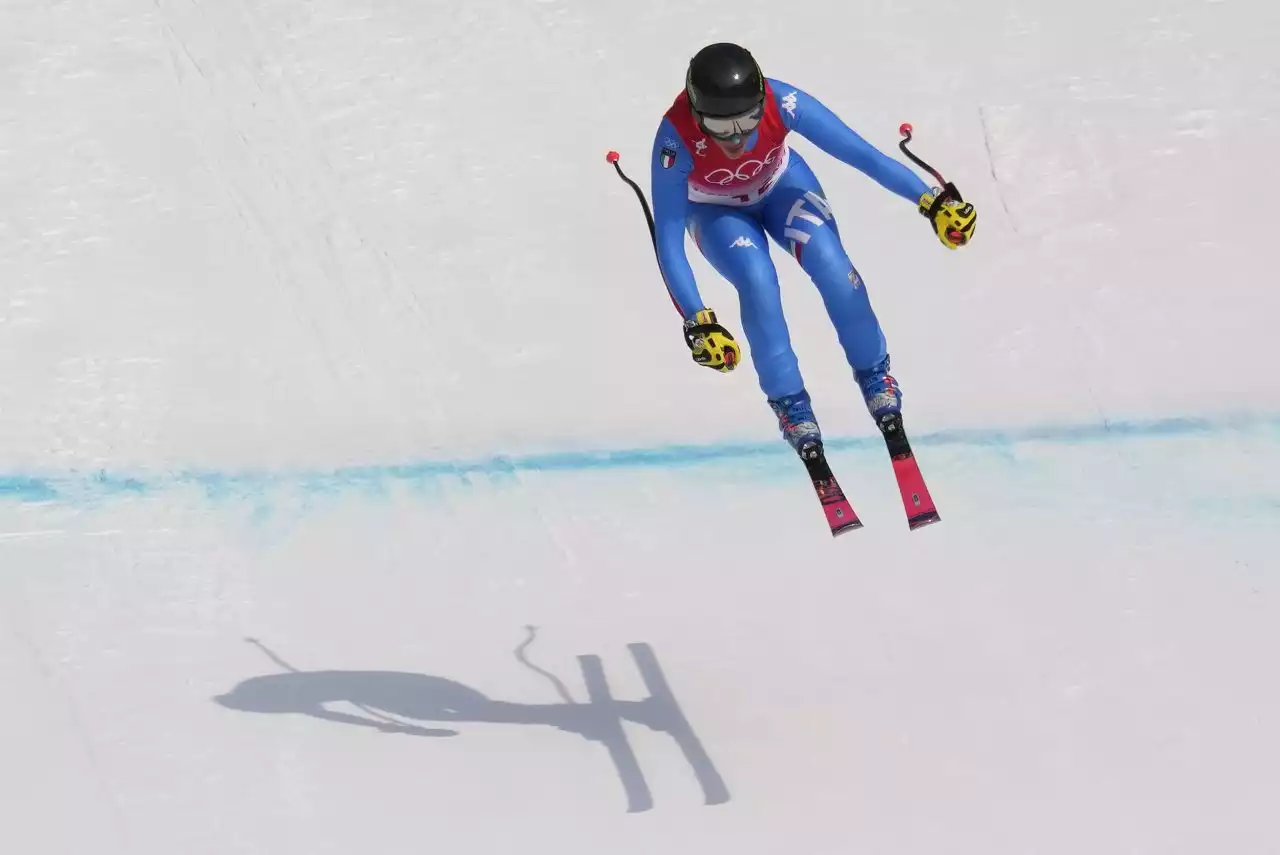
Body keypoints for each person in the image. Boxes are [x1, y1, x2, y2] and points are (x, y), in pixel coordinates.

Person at [649, 42, 976, 460]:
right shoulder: (673, 140)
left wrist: (930, 201)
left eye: (749, 120)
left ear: (762, 100)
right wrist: (698, 319)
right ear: (696, 114)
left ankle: (876, 376)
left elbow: (863, 156)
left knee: (833, 266)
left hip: (782, 187)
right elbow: (669, 238)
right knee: (757, 280)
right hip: (714, 212)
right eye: (720, 125)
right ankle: (790, 404)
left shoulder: (784, 102)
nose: (738, 137)